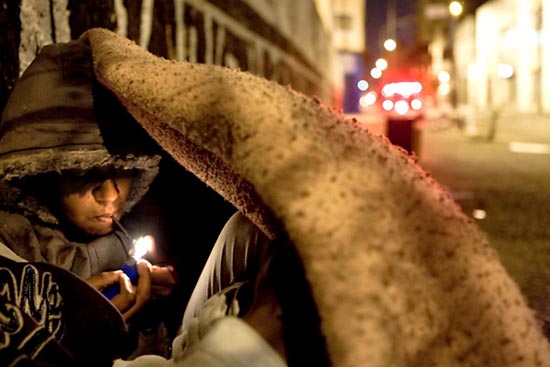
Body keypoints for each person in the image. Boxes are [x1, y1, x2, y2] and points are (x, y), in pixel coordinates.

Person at [0, 37, 176, 363]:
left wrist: (151, 309)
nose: (110, 196)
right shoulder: (12, 246)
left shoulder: (126, 236)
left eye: (123, 171)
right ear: (41, 174)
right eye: (83, 172)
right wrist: (72, 314)